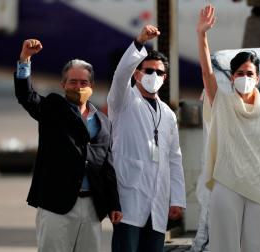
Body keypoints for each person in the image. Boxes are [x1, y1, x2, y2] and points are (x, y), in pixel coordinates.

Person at [196, 5, 260, 252]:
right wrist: (202, 34)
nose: (245, 78)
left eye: (249, 73)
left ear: (258, 78)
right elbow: (207, 72)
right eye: (239, 73)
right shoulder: (222, 102)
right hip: (227, 185)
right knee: (225, 247)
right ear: (231, 77)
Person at [14, 39, 122, 252]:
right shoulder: (52, 108)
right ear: (63, 85)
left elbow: (106, 166)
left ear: (91, 85)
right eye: (73, 82)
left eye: (83, 83)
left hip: (92, 207)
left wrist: (113, 204)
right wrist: (25, 59)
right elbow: (26, 96)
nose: (78, 87)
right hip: (57, 204)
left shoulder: (103, 120)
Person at [107, 25, 186, 252]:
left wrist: (177, 199)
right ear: (137, 73)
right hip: (128, 199)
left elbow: (174, 158)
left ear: (165, 77)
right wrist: (139, 42)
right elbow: (120, 76)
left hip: (158, 203)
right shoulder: (123, 101)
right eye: (148, 71)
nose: (154, 76)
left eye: (159, 73)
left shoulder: (168, 114)